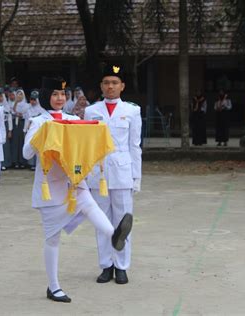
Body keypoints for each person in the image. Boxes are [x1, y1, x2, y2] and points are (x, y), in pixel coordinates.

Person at [23, 77, 133, 303]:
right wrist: (43, 134)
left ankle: (114, 235)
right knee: (52, 238)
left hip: (74, 183)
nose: (59, 98)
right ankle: (53, 287)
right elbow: (26, 154)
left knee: (91, 207)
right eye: (54, 94)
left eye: (63, 94)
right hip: (50, 188)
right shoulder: (38, 122)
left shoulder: (74, 119)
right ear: (46, 97)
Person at [84, 65, 142, 285]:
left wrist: (137, 177)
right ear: (101, 86)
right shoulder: (91, 111)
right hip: (97, 171)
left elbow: (135, 145)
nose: (110, 86)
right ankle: (106, 265)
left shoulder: (131, 111)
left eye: (115, 82)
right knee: (102, 221)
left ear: (122, 86)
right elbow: (87, 145)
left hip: (122, 170)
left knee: (122, 219)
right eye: (106, 82)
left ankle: (122, 266)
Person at [24, 90, 44, 170]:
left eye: (34, 99)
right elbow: (26, 120)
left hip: (39, 130)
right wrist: (25, 130)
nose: (33, 101)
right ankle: (32, 164)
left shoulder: (41, 109)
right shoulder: (28, 109)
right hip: (31, 130)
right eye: (31, 99)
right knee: (31, 145)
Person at [10, 89, 29, 169]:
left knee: (21, 142)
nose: (19, 96)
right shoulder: (13, 104)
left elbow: (26, 115)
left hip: (22, 124)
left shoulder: (26, 105)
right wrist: (16, 102)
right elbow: (12, 112)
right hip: (15, 124)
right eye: (18, 94)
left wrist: (21, 115)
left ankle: (22, 162)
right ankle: (15, 161)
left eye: (21, 94)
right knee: (15, 143)